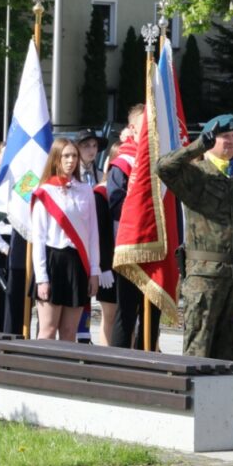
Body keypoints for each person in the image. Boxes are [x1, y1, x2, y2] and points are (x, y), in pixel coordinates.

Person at [156, 113, 233, 361]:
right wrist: (197, 146)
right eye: (224, 136)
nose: (231, 141)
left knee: (229, 347)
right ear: (211, 140)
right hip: (205, 273)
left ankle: (221, 399)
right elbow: (163, 167)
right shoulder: (197, 174)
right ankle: (192, 397)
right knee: (198, 345)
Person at [30, 138, 100, 341]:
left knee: (69, 332)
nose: (71, 161)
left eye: (74, 156)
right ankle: (42, 371)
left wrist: (94, 271)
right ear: (56, 159)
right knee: (48, 330)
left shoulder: (86, 190)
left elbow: (93, 233)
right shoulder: (45, 192)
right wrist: (42, 278)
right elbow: (39, 238)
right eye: (66, 156)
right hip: (53, 262)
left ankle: (64, 373)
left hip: (78, 263)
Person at [108, 104, 160, 350]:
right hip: (131, 244)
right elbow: (115, 201)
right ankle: (120, 363)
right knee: (127, 311)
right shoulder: (123, 162)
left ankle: (148, 358)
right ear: (131, 128)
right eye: (145, 126)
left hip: (156, 244)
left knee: (154, 310)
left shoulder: (158, 158)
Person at [94, 144, 119, 345]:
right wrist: (103, 267)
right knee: (110, 317)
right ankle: (106, 358)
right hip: (108, 264)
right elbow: (99, 234)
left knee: (125, 318)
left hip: (127, 261)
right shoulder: (100, 193)